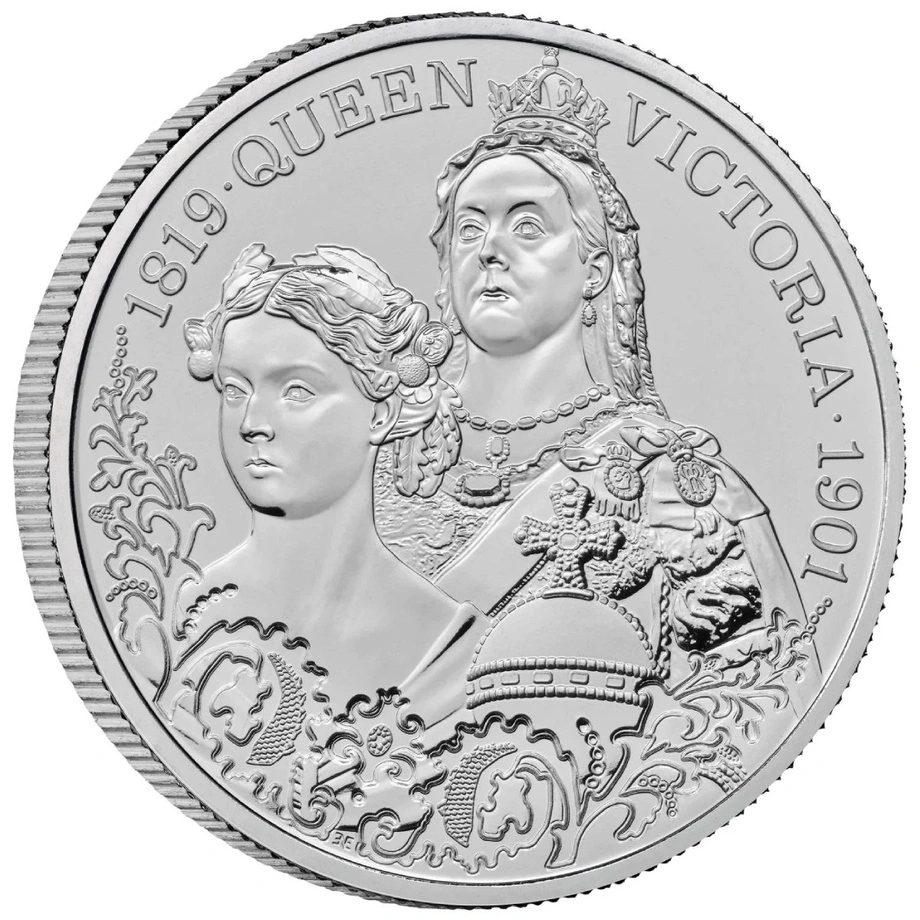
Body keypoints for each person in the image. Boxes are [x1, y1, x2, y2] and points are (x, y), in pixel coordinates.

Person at [375, 49, 818, 725]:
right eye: (469, 228)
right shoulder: (376, 461)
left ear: (596, 268)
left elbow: (759, 715)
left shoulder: (677, 484)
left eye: (528, 226)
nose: (489, 249)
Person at [176, 242, 484, 718]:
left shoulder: (448, 641)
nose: (252, 423)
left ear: (381, 413)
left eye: (297, 392)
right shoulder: (181, 614)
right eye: (236, 390)